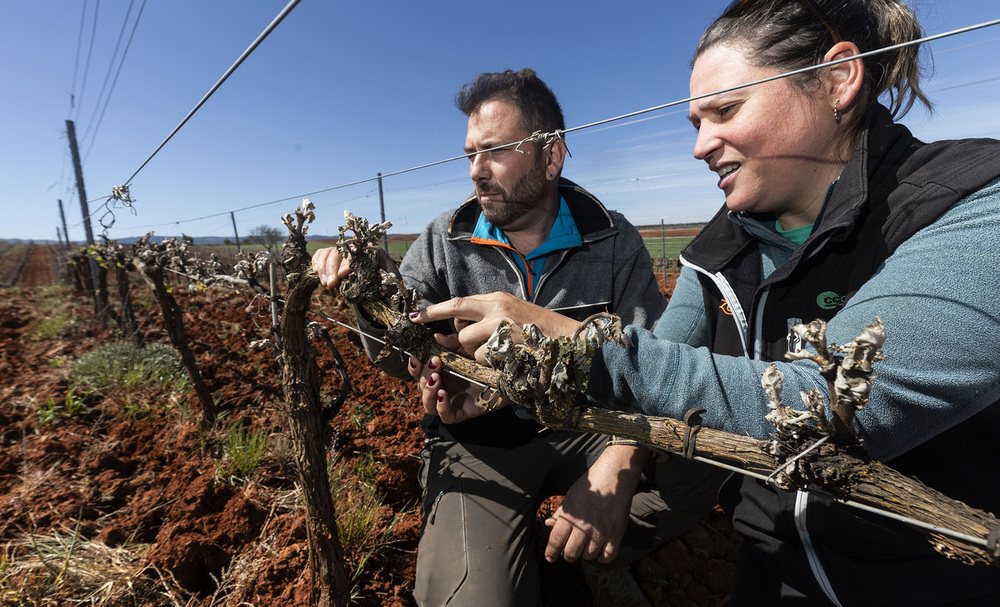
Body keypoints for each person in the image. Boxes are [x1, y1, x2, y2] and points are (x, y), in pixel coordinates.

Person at [407, 2, 1000, 606]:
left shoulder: (971, 204)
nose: (699, 146)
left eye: (725, 110)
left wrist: (579, 362)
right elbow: (663, 361)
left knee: (684, 475)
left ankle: (577, 554)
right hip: (774, 559)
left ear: (837, 80)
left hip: (937, 578)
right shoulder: (719, 249)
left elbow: (831, 408)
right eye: (696, 120)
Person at [312, 68, 726, 607]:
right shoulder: (443, 240)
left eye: (495, 151)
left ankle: (591, 551)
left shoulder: (612, 236)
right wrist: (368, 296)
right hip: (480, 443)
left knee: (709, 464)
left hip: (590, 430)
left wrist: (619, 466)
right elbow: (395, 360)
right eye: (469, 154)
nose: (476, 172)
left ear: (550, 156)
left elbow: (649, 368)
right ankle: (510, 546)